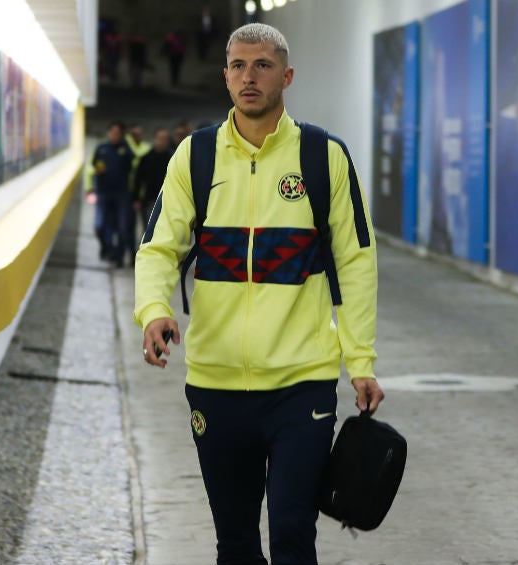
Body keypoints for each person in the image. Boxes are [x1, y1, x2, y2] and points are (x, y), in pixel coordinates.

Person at [134, 23, 383, 565]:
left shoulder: (324, 158)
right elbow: (157, 249)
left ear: (286, 76)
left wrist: (359, 360)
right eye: (239, 66)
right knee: (236, 542)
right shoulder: (194, 157)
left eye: (263, 65)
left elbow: (356, 263)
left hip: (302, 384)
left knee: (293, 530)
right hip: (215, 385)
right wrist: (154, 311)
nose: (250, 76)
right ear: (225, 76)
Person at [90, 121, 135, 264]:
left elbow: (131, 165)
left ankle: (119, 257)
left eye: (118, 133)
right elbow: (94, 167)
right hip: (103, 193)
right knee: (100, 226)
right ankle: (106, 248)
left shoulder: (126, 150)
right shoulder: (102, 148)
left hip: (121, 194)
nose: (115, 136)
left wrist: (127, 142)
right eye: (113, 132)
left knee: (122, 228)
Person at [132, 127, 173, 234]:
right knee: (150, 229)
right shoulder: (146, 158)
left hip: (168, 200)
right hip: (149, 199)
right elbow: (138, 179)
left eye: (165, 139)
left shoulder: (173, 158)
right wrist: (136, 199)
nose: (162, 141)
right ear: (154, 139)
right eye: (160, 138)